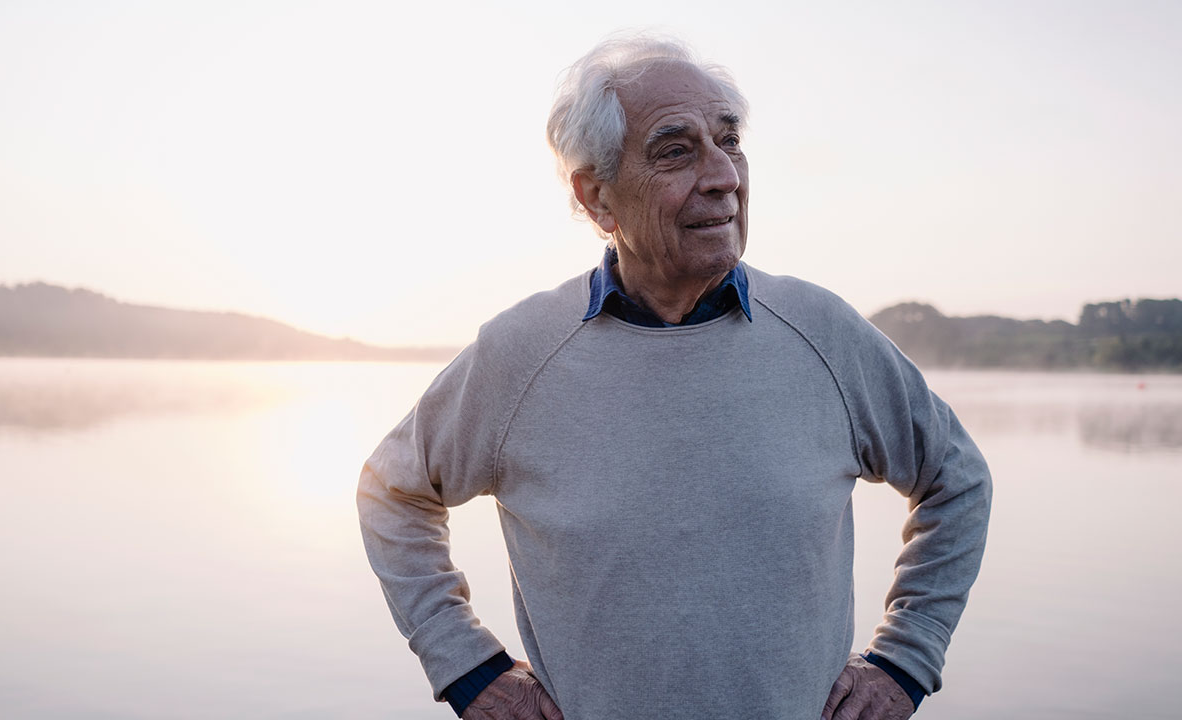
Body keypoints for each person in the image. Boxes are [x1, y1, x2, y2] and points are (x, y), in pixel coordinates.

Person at [358, 34, 991, 720]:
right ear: (597, 196)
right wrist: (469, 669)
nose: (724, 176)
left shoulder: (825, 335)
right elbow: (392, 493)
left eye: (730, 142)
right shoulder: (520, 355)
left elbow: (955, 478)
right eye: (676, 150)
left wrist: (905, 658)